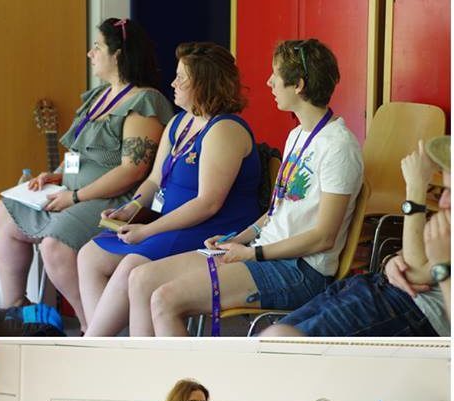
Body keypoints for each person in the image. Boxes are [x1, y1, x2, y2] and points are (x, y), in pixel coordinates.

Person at [124, 38, 363, 336]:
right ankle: (147, 377)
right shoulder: (297, 136)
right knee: (140, 279)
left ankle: (191, 383)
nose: (269, 82)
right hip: (265, 253)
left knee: (164, 299)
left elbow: (324, 238)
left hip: (299, 270)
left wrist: (254, 254)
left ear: (298, 85)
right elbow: (277, 210)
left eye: (275, 75)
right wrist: (237, 239)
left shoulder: (339, 146)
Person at [0, 18, 173, 332]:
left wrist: (74, 196)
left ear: (118, 54)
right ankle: (15, 311)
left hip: (114, 199)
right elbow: (78, 153)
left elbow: (134, 170)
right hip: (71, 192)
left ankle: (94, 327)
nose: (90, 54)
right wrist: (56, 175)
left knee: (54, 245)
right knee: (3, 213)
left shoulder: (144, 100)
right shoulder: (97, 97)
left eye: (98, 47)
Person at [78, 41, 261, 336]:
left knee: (131, 266)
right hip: (173, 222)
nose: (173, 83)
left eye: (182, 79)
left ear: (205, 85)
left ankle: (93, 344)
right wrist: (134, 207)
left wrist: (148, 231)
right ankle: (103, 341)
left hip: (210, 229)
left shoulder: (224, 129)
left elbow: (208, 204)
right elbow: (153, 180)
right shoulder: (179, 122)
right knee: (89, 256)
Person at [261, 135, 450, 337]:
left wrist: (415, 187)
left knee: (277, 345)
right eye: (444, 190)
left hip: (411, 308)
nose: (443, 202)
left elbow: (416, 272)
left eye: (451, 190)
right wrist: (392, 261)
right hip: (376, 286)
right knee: (264, 343)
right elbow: (416, 256)